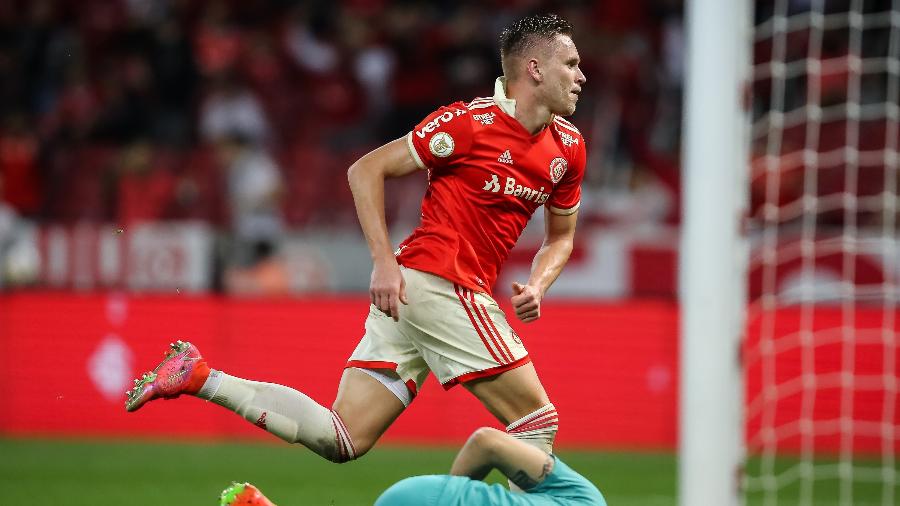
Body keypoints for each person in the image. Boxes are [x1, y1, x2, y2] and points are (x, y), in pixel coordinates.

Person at [126, 12, 587, 470]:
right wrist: (383, 262)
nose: (581, 76)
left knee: (343, 436)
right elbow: (366, 169)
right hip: (440, 283)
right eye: (570, 64)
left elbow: (560, 237)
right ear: (534, 69)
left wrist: (539, 283)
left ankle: (200, 377)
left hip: (424, 295)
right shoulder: (467, 124)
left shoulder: (569, 148)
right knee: (537, 422)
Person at [217, 428, 606, 506]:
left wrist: (452, 493)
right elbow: (486, 442)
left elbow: (487, 444)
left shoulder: (586, 499)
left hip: (423, 495)